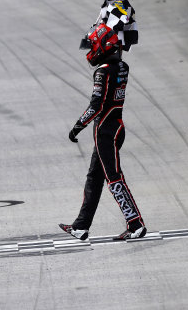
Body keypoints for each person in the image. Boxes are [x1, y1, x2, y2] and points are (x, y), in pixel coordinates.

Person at [59, 23, 147, 241]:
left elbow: (96, 105)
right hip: (117, 125)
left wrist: (77, 126)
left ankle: (135, 224)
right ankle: (81, 226)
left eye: (92, 45)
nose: (89, 51)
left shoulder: (102, 71)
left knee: (113, 178)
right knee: (94, 177)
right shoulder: (123, 67)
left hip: (105, 131)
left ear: (101, 46)